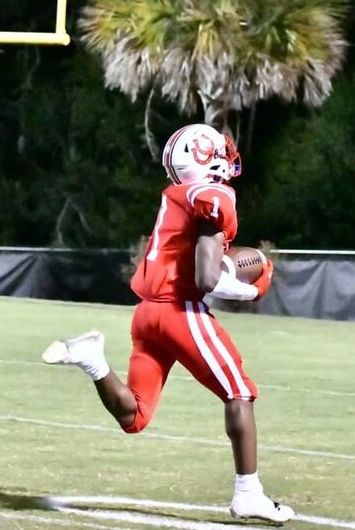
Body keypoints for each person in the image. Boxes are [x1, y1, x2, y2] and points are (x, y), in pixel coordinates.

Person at [42, 123, 294, 524]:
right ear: (202, 157)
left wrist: (244, 267)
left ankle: (93, 361)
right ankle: (249, 493)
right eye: (217, 150)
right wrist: (252, 291)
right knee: (239, 392)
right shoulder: (214, 195)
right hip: (179, 311)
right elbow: (207, 279)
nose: (225, 156)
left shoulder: (179, 194)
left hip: (147, 314)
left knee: (135, 417)